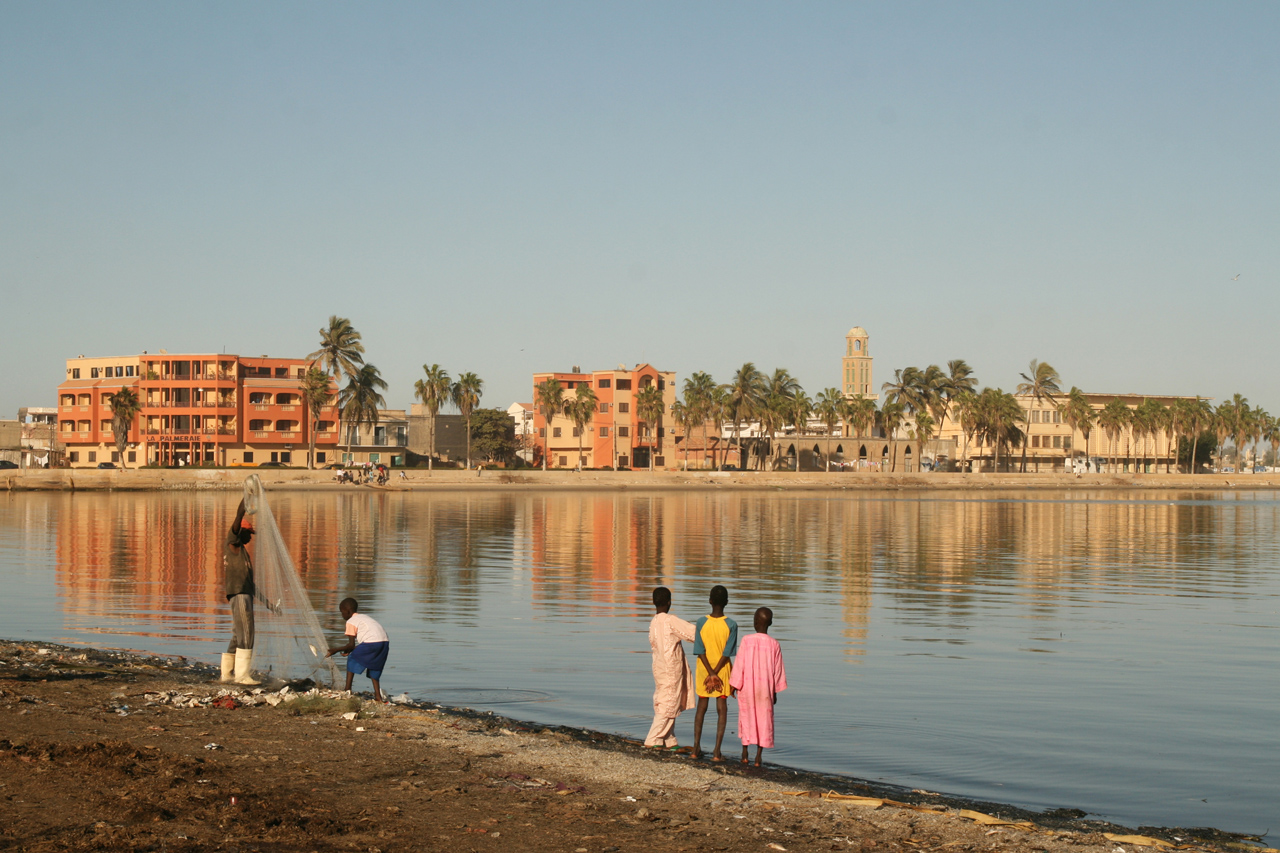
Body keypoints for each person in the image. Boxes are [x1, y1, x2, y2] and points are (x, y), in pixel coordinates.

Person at [729, 607, 788, 767]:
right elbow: (778, 671)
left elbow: (740, 664)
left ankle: (745, 753)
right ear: (770, 623)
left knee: (746, 718)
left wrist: (734, 685)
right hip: (765, 689)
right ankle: (758, 757)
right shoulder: (774, 644)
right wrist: (774, 691)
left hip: (747, 688)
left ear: (755, 623)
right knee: (764, 720)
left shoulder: (747, 640)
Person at [645, 586, 696, 749]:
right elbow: (693, 633)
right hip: (670, 668)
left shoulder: (653, 622)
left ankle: (668, 738)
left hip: (659, 667)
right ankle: (653, 738)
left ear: (654, 603)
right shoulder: (670, 620)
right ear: (669, 602)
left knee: (664, 699)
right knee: (669, 701)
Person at [692, 584, 738, 761]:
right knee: (722, 709)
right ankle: (717, 752)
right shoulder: (731, 625)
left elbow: (699, 649)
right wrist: (716, 673)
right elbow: (727, 652)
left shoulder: (701, 622)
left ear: (710, 601)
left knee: (701, 707)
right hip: (723, 671)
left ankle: (695, 749)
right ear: (727, 602)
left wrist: (710, 673)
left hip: (704, 670)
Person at [221, 498, 260, 685]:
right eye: (249, 534)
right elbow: (237, 519)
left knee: (238, 634)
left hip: (243, 593)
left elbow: (250, 583)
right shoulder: (233, 544)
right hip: (239, 595)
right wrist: (245, 500)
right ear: (241, 532)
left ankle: (227, 674)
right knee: (247, 632)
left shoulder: (242, 552)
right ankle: (242, 676)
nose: (250, 537)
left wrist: (267, 603)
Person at [326, 597, 390, 702]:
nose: (342, 616)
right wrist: (351, 649)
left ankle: (347, 689)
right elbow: (365, 642)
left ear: (348, 611)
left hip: (372, 643)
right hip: (384, 643)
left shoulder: (351, 621)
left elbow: (351, 645)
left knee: (352, 658)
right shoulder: (364, 617)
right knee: (375, 667)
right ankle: (378, 697)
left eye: (342, 613)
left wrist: (335, 650)